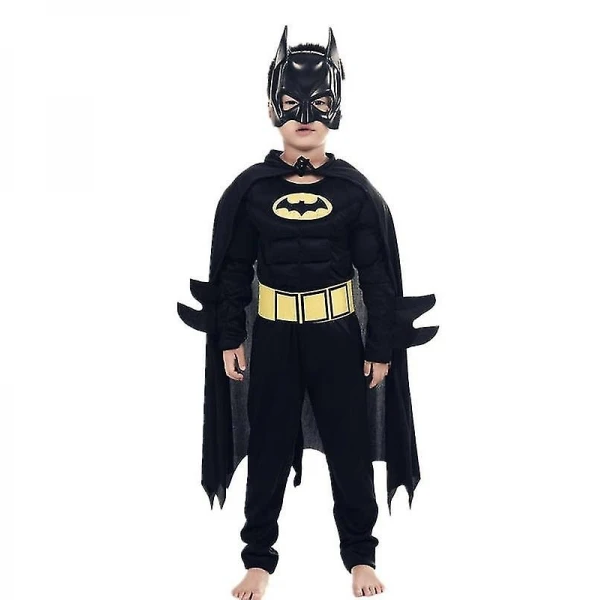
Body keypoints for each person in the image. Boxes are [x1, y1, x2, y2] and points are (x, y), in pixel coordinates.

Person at [176, 26, 439, 600]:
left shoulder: (353, 192)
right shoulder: (251, 190)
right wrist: (229, 336)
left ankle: (360, 557)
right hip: (272, 335)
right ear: (273, 106)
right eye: (291, 102)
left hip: (337, 335)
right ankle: (259, 561)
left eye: (318, 102)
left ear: (336, 107)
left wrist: (379, 346)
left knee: (349, 445)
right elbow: (233, 270)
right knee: (269, 443)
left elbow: (376, 274)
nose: (304, 116)